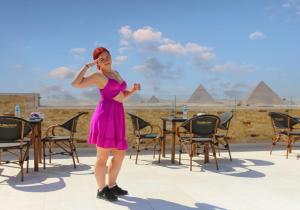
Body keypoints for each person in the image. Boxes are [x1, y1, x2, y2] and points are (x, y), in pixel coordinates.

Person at [71, 47, 141, 202]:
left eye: (107, 56)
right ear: (97, 62)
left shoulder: (116, 73)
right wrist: (87, 66)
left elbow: (121, 96)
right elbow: (75, 84)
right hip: (105, 117)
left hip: (117, 116)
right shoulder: (98, 76)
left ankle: (112, 185)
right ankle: (101, 190)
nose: (106, 60)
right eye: (101, 59)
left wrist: (133, 90)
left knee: (120, 154)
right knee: (102, 156)